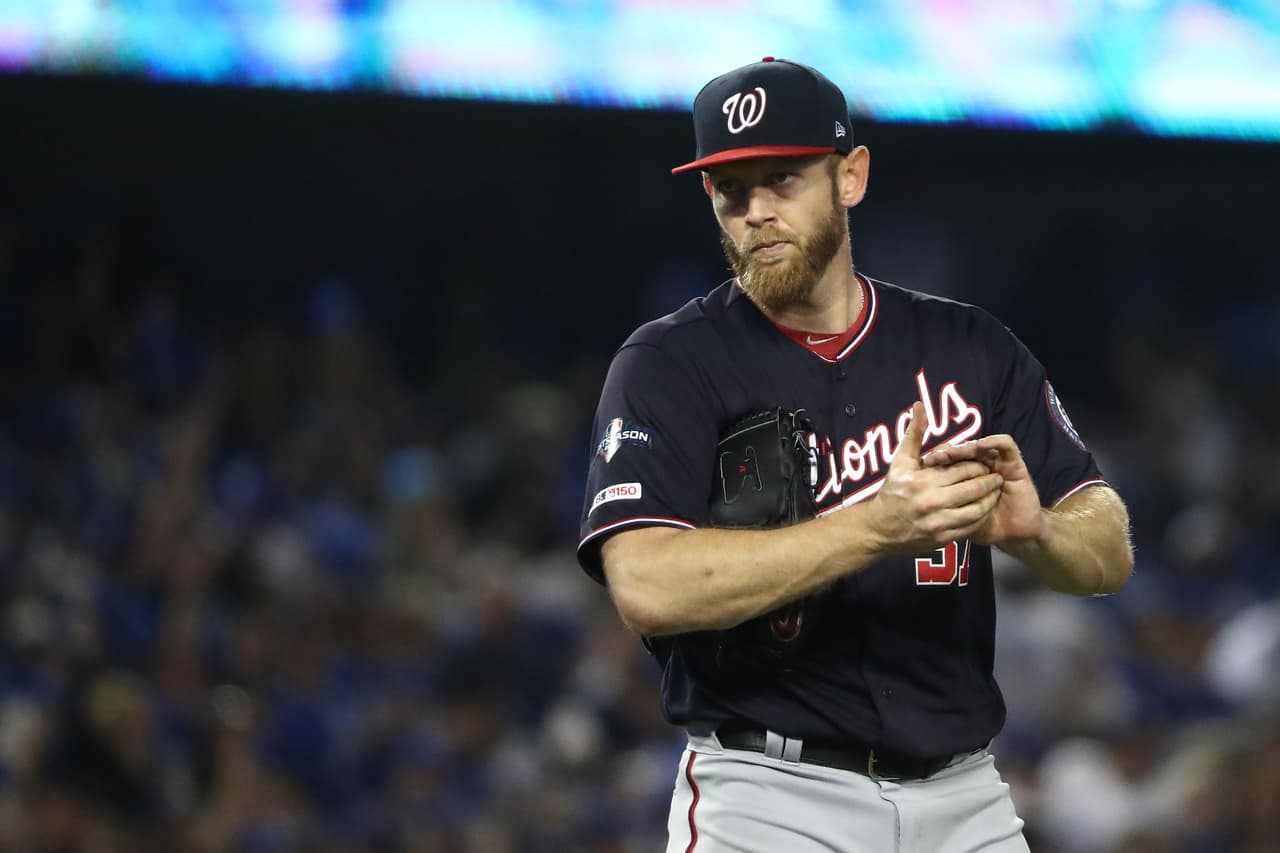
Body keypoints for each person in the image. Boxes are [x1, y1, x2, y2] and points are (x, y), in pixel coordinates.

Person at [576, 57, 1133, 853]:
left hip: (964, 796)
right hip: (770, 797)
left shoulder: (968, 346)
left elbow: (1107, 546)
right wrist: (875, 526)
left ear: (850, 177)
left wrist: (1038, 530)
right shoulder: (669, 363)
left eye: (784, 178)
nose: (757, 211)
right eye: (733, 190)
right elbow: (645, 583)